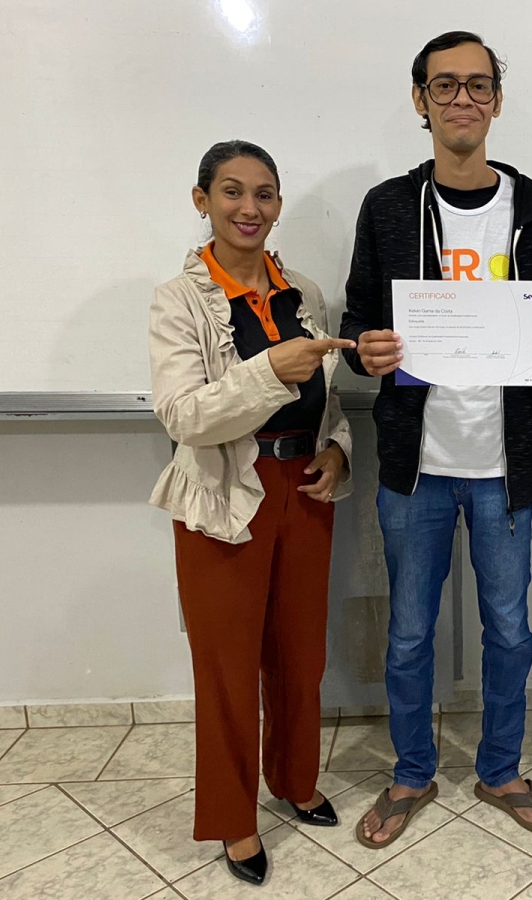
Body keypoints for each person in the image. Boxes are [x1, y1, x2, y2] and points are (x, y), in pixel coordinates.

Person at [338, 31, 532, 848]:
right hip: (415, 466)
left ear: (497, 100)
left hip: (504, 467)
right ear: (421, 100)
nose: (462, 100)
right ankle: (412, 772)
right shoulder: (388, 207)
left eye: (478, 85)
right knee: (409, 633)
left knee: (509, 631)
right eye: (445, 85)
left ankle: (500, 768)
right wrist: (369, 348)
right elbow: (359, 322)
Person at [148, 140, 356, 886]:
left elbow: (328, 400)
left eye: (264, 194)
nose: (249, 207)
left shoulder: (304, 293)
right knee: (228, 667)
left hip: (304, 489)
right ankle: (234, 818)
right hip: (222, 495)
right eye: (232, 191)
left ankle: (294, 781)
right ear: (201, 200)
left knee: (301, 656)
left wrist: (338, 452)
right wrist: (269, 369)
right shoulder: (179, 300)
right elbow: (183, 415)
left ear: (277, 205)